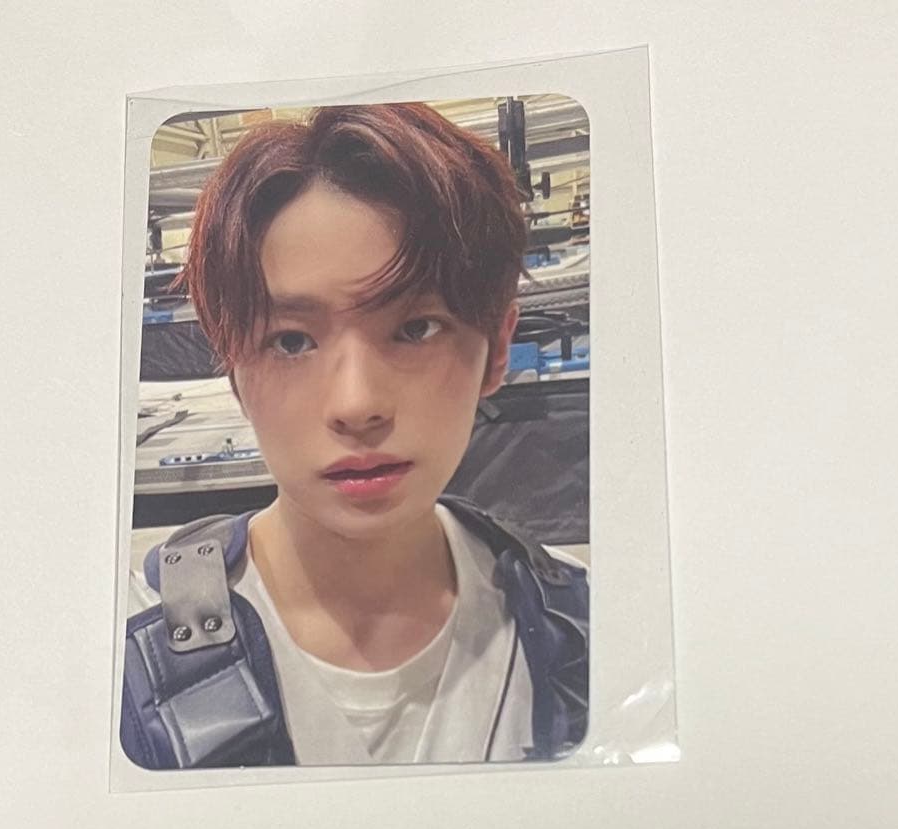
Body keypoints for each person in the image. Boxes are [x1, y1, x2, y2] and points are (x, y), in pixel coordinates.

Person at [119, 103, 588, 769]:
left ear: (498, 348)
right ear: (233, 370)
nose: (356, 404)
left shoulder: (581, 634)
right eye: (291, 341)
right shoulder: (124, 661)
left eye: (415, 328)